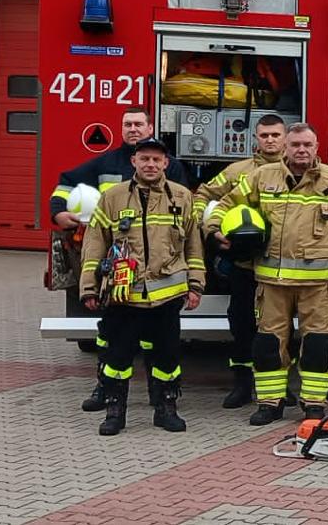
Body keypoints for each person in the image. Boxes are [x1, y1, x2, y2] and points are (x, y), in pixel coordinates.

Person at [209, 123, 328, 426]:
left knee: (317, 345)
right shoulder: (263, 176)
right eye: (295, 145)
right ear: (285, 147)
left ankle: (313, 403)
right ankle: (270, 403)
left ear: (317, 147)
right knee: (267, 346)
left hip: (318, 284)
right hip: (271, 282)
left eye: (307, 145)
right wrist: (214, 230)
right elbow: (225, 204)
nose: (301, 150)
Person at [51, 106, 192, 414]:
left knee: (162, 346)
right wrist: (59, 212)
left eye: (139, 124)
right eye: (127, 124)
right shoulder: (106, 164)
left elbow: (187, 232)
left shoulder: (177, 178)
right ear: (133, 161)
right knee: (112, 340)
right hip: (121, 284)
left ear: (150, 127)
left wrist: (193, 282)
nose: (133, 129)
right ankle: (107, 392)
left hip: (160, 282)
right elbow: (67, 182)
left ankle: (162, 401)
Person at [76, 137, 204, 436]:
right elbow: (95, 245)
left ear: (165, 164)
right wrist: (89, 288)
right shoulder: (113, 197)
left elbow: (194, 247)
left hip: (167, 297)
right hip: (124, 296)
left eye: (156, 160)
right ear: (134, 161)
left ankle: (166, 408)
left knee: (167, 358)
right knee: (117, 358)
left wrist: (196, 285)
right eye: (144, 158)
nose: (150, 164)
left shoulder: (182, 197)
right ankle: (114, 411)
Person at [195, 113, 288, 409]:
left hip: (282, 267)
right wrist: (211, 231)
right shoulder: (238, 171)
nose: (270, 140)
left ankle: (277, 388)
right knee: (242, 325)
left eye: (275, 135)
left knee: (277, 330)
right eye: (265, 135)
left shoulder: (297, 171)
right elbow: (203, 196)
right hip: (245, 265)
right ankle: (242, 385)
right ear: (256, 139)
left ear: (285, 137)